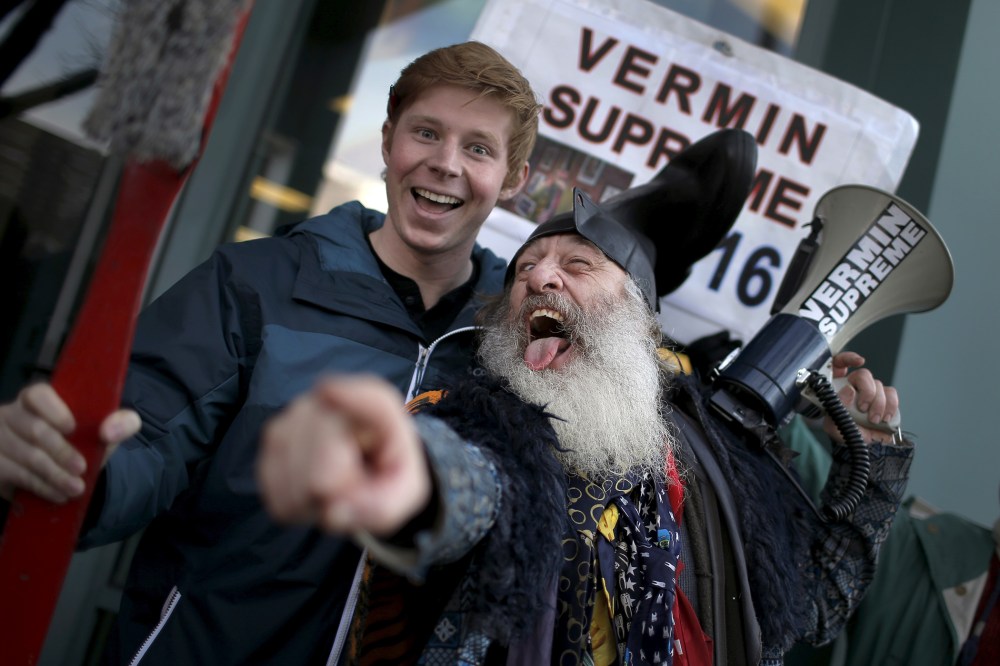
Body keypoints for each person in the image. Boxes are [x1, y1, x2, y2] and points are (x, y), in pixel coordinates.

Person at [0, 41, 540, 664]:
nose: (445, 163)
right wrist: (62, 464)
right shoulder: (253, 284)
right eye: (426, 132)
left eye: (478, 148)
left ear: (513, 179)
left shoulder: (512, 339)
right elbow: (142, 441)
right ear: (388, 140)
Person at [257, 179, 913, 665]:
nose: (539, 277)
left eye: (577, 264)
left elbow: (811, 608)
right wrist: (413, 474)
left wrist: (874, 460)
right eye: (524, 269)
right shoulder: (478, 424)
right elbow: (471, 482)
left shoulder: (719, 452)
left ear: (640, 321)